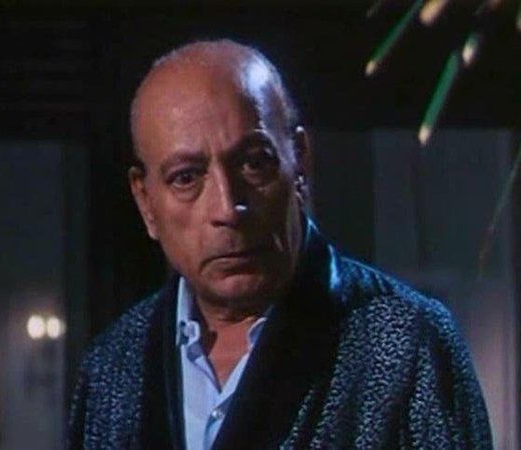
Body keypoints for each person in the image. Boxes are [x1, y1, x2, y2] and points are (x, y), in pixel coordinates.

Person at [68, 39, 492, 449]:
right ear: (146, 202)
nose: (228, 208)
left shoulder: (407, 343)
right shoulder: (112, 369)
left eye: (254, 163)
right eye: (186, 177)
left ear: (300, 163)